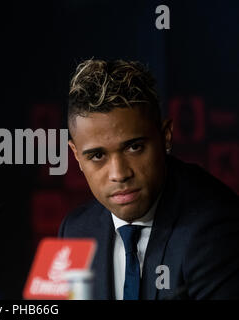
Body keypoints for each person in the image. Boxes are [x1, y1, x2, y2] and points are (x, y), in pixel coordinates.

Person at [59, 59, 239, 300]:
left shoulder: (216, 228)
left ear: (165, 137)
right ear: (76, 155)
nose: (119, 174)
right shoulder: (74, 230)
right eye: (98, 155)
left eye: (134, 147)